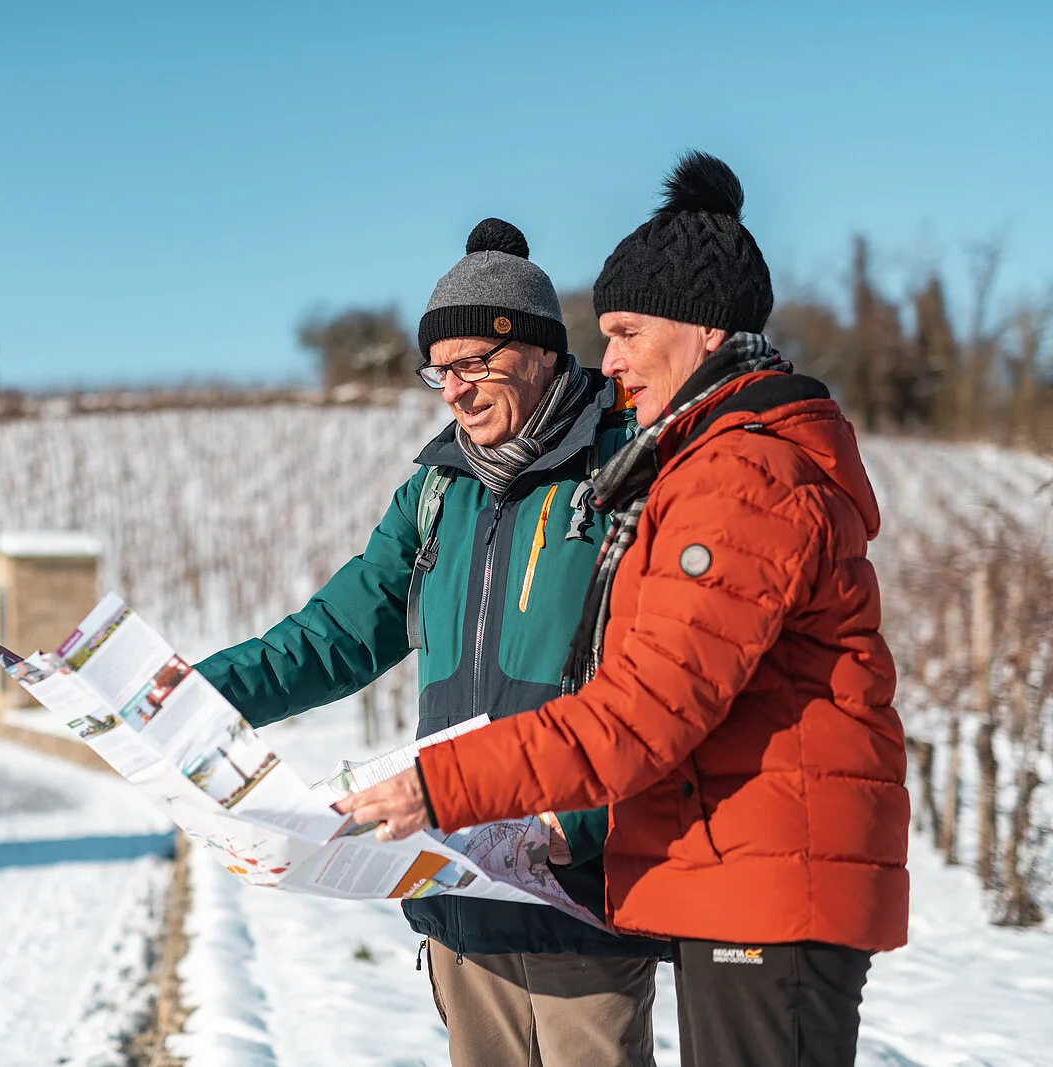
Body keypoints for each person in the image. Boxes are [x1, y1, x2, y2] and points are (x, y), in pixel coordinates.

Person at [337, 152, 910, 1067]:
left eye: (627, 331)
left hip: (764, 874)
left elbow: (643, 707)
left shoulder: (741, 474)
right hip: (734, 870)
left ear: (703, 327)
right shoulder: (704, 463)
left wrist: (441, 782)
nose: (611, 361)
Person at [196, 218, 667, 1067]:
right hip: (457, 883)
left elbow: (667, 676)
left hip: (576, 884)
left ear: (542, 351)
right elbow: (337, 632)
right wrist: (200, 694)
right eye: (439, 371)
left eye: (474, 364)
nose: (454, 390)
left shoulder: (626, 469)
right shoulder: (438, 492)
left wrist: (588, 820)